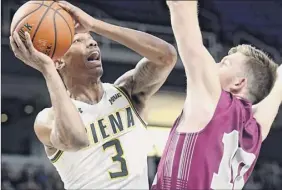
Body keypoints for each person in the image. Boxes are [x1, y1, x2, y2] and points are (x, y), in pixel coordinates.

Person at [9, 1, 177, 189]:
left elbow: (167, 56)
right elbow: (76, 139)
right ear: (59, 62)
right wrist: (48, 69)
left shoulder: (127, 91)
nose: (92, 41)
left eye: (91, 38)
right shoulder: (48, 119)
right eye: (78, 41)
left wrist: (96, 24)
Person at [152, 1, 282, 189]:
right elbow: (278, 87)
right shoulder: (256, 130)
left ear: (238, 83)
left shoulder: (213, 101)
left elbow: (180, 6)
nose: (214, 64)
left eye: (224, 63)